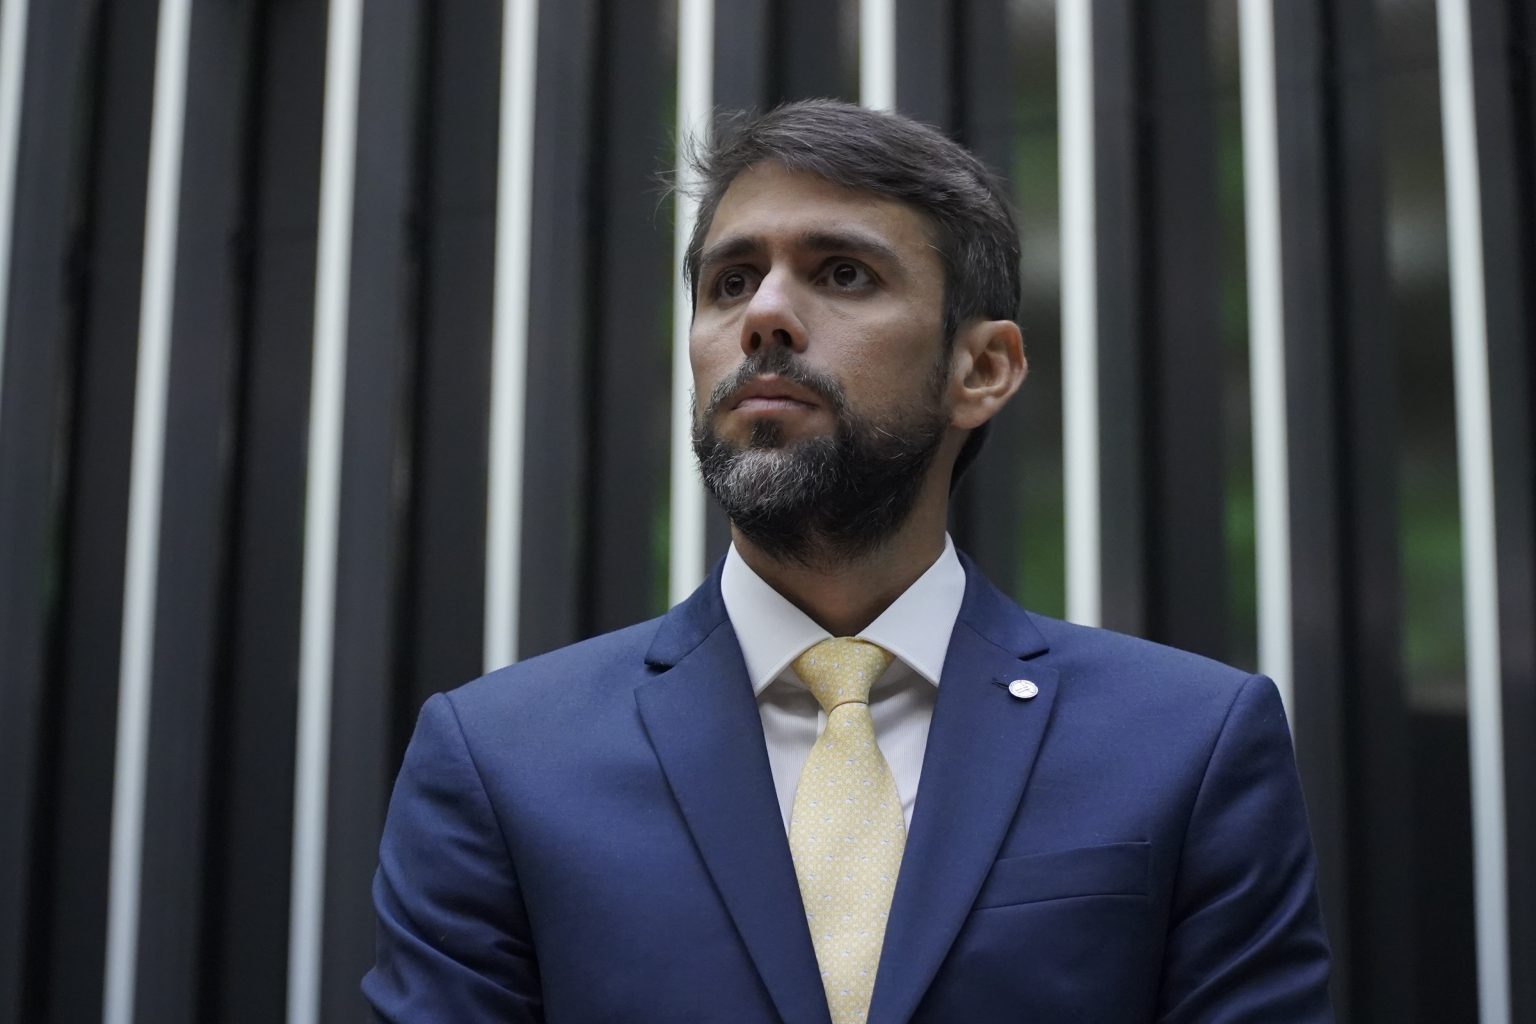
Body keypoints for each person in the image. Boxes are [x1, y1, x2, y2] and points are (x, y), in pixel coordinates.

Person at [363, 99, 1332, 1023]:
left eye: (842, 274)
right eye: (730, 282)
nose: (765, 315)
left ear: (982, 368)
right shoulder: (499, 760)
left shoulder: (1189, 743)